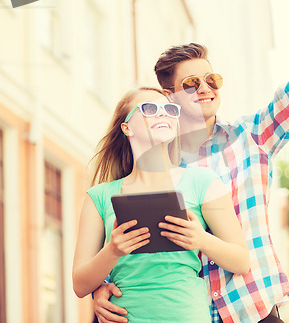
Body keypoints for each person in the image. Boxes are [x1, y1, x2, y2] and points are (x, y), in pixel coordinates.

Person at [93, 0, 289, 323]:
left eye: (212, 80)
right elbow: (119, 231)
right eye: (191, 84)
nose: (205, 88)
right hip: (192, 314)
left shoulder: (252, 136)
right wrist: (103, 286)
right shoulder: (151, 157)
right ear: (169, 96)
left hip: (253, 308)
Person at [72, 88, 250, 322]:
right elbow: (80, 285)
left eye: (169, 109)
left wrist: (201, 239)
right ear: (126, 128)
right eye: (149, 109)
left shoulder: (203, 182)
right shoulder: (99, 197)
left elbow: (241, 261)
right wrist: (112, 251)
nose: (162, 114)